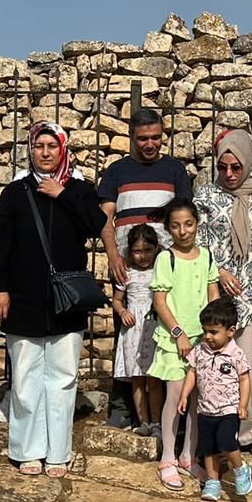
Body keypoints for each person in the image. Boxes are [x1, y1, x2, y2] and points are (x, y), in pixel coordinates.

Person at [0, 121, 104, 478]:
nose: (46, 152)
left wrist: (62, 195)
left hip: (65, 300)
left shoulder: (80, 190)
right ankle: (28, 449)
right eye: (40, 146)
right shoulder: (16, 192)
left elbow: (97, 224)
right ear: (31, 150)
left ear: (63, 149)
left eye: (53, 146)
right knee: (25, 377)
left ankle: (58, 451)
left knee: (63, 376)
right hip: (23, 297)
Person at [97, 107, 193, 427]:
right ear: (131, 137)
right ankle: (123, 408)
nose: (150, 144)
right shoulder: (116, 172)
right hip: (127, 266)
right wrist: (112, 255)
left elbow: (184, 215)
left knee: (165, 338)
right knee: (127, 337)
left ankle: (169, 412)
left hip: (165, 269)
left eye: (156, 137)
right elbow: (105, 217)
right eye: (143, 139)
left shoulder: (175, 170)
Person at [194, 129, 252, 455]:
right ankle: (221, 430)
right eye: (223, 167)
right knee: (216, 365)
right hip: (217, 288)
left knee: (251, 365)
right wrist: (218, 270)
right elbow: (196, 242)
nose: (229, 174)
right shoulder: (205, 196)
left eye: (236, 167)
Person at [150, 200, 220, 490]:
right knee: (175, 396)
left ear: (197, 224)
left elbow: (212, 293)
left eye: (188, 224)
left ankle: (188, 456)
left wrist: (216, 332)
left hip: (201, 340)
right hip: (174, 340)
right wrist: (178, 332)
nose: (183, 231)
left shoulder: (206, 256)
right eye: (176, 225)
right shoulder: (166, 259)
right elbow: (160, 300)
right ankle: (167, 457)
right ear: (169, 228)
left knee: (197, 401)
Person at [177, 298, 252, 502]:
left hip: (228, 409)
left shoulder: (236, 354)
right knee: (208, 447)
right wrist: (185, 395)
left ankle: (240, 469)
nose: (208, 336)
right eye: (205, 331)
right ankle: (212, 480)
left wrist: (243, 405)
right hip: (205, 409)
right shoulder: (200, 350)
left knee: (227, 442)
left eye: (213, 332)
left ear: (230, 331)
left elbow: (245, 379)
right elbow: (192, 372)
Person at [111, 224, 162, 436]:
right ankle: (143, 422)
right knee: (137, 378)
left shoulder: (160, 270)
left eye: (147, 250)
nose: (142, 256)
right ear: (130, 251)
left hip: (154, 326)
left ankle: (157, 423)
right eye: (137, 251)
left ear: (156, 249)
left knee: (155, 379)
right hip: (133, 329)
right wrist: (122, 311)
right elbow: (116, 300)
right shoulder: (127, 274)